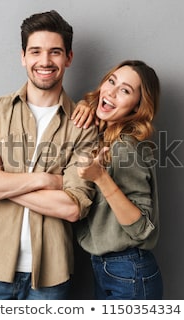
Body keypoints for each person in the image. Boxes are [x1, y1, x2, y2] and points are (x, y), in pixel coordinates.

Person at [0, 10, 97, 300]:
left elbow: (71, 207)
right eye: (36, 52)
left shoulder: (83, 126)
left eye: (55, 52)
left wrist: (0, 180)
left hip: (51, 278)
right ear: (23, 56)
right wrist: (46, 179)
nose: (44, 61)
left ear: (68, 58)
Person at [73, 60, 163, 299]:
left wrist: (101, 177)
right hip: (111, 268)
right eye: (111, 81)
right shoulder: (107, 137)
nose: (111, 91)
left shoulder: (125, 147)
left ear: (136, 107)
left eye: (125, 90)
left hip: (128, 269)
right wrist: (86, 105)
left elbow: (142, 227)